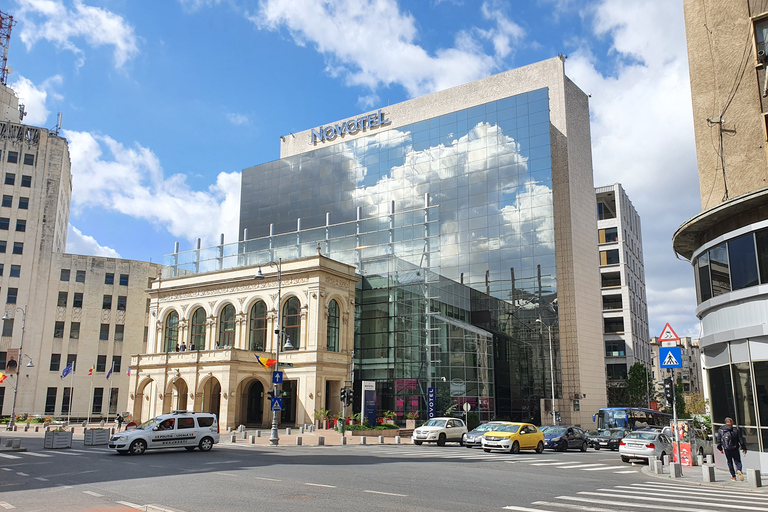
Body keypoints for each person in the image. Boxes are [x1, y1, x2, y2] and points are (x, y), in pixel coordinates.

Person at [717, 417, 747, 481]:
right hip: (735, 448)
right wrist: (744, 448)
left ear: (726, 422)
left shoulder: (721, 430)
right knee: (737, 461)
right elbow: (741, 440)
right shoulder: (735, 430)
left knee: (729, 462)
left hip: (726, 448)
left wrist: (720, 449)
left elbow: (719, 441)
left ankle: (733, 477)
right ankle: (739, 470)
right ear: (731, 422)